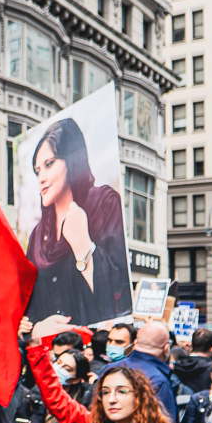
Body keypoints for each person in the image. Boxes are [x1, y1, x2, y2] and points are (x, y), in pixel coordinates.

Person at [27, 314, 193, 423]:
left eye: (121, 391)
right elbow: (56, 399)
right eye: (105, 392)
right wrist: (35, 345)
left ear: (139, 396)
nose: (111, 399)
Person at [22, 117, 131, 324]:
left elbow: (119, 292)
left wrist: (84, 248)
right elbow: (30, 305)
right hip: (48, 343)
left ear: (72, 161)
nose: (41, 178)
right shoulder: (37, 235)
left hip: (90, 340)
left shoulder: (103, 203)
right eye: (37, 171)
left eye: (49, 164)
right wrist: (34, 328)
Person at [122, 321, 181, 418]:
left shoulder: (110, 369)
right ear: (166, 349)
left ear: (135, 343)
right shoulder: (159, 381)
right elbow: (167, 422)